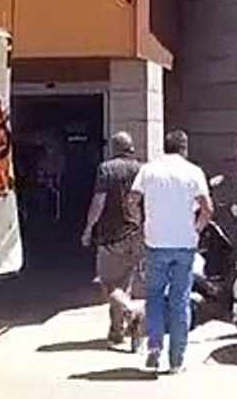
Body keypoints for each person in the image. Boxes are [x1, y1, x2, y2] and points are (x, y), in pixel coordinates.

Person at [130, 129, 213, 374]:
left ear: (164, 147)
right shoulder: (194, 171)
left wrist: (141, 222)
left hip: (155, 243)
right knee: (180, 301)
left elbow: (131, 199)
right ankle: (176, 361)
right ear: (184, 148)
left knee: (154, 296)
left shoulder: (149, 169)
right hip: (184, 244)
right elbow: (207, 208)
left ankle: (155, 345)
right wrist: (196, 229)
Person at [81, 131, 145, 351]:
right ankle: (117, 333)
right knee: (124, 284)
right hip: (137, 234)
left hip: (111, 236)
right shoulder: (141, 169)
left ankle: (132, 312)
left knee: (109, 286)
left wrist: (88, 228)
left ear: (114, 149)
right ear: (131, 148)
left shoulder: (106, 169)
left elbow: (98, 203)